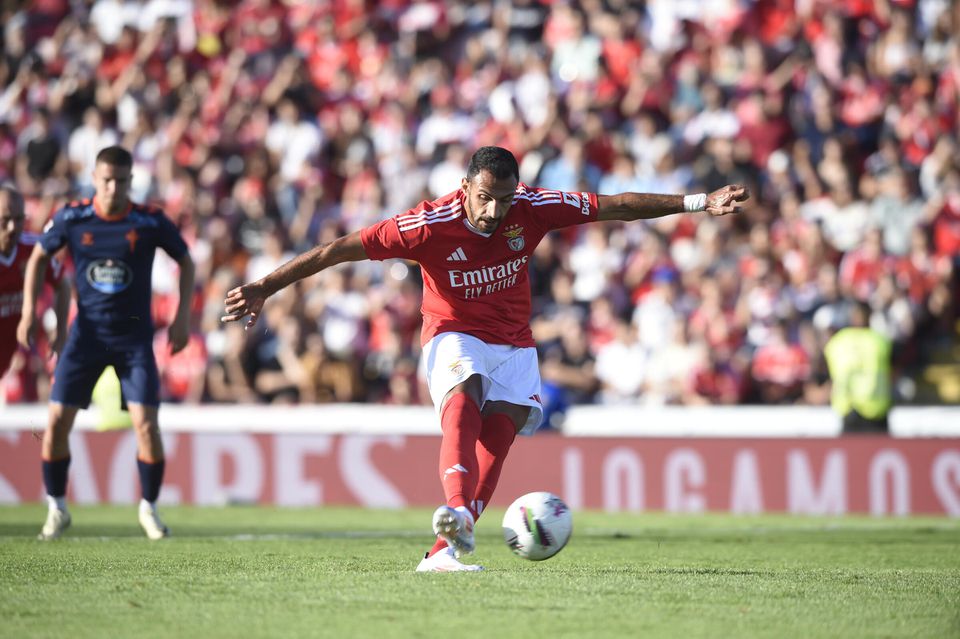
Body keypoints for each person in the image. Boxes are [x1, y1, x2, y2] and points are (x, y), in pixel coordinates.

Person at [222, 146, 747, 571]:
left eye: (504, 199)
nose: (495, 212)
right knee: (463, 395)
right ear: (467, 187)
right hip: (454, 332)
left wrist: (698, 202)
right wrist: (267, 285)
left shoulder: (531, 208)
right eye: (486, 198)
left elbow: (615, 205)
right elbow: (338, 249)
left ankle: (447, 547)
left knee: (499, 438)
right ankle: (454, 510)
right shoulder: (426, 225)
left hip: (515, 342)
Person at [17, 146, 196, 540]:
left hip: (134, 340)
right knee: (57, 423)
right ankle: (57, 507)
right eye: (107, 179)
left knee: (147, 425)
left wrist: (182, 318)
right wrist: (31, 311)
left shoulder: (148, 221)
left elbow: (186, 260)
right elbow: (37, 259)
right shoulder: (72, 217)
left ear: (132, 182)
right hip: (87, 337)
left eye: (122, 180)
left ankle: (149, 508)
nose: (114, 187)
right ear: (95, 179)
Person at [0, 185, 69, 380]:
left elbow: (62, 284)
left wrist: (61, 331)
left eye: (19, 219)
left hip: (8, 346)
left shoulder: (34, 249)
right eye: (4, 220)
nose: (13, 227)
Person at [823, 301, 893, 434]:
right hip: (875, 409)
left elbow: (829, 372)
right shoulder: (880, 341)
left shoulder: (837, 342)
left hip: (848, 410)